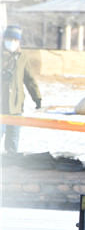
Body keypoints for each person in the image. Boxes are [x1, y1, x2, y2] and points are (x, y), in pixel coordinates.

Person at [1, 25, 42, 154]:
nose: (12, 42)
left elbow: (29, 79)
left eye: (15, 40)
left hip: (15, 105)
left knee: (13, 137)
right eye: (9, 39)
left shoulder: (22, 57)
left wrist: (37, 97)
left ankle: (11, 163)